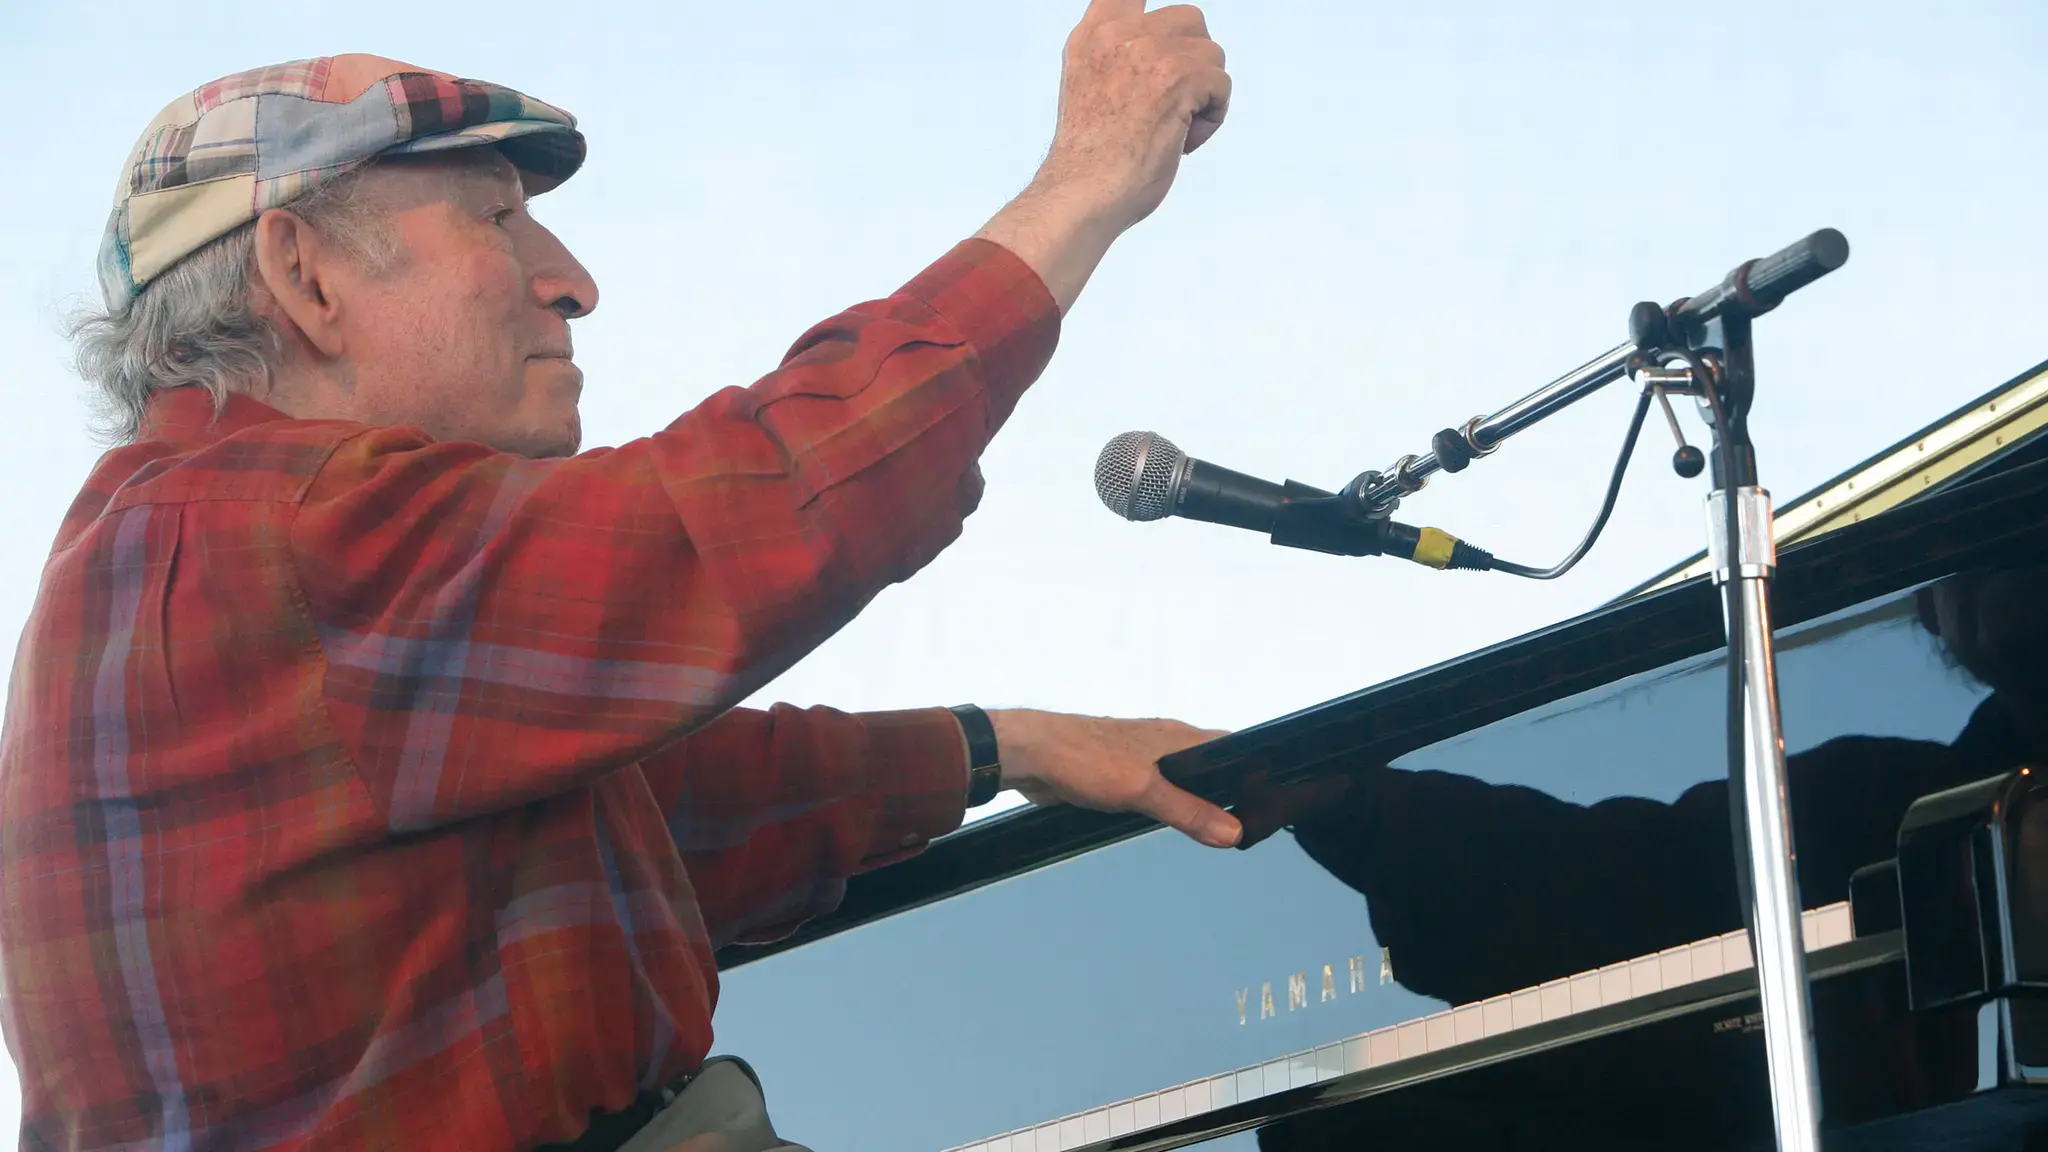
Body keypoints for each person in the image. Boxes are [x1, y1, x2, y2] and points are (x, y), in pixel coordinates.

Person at [0, 4, 1238, 1150]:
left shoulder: (187, 561)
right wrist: (1086, 182)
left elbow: (651, 822)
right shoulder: (282, 532)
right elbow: (750, 508)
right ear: (304, 276)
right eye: (495, 217)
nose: (572, 281)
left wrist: (1004, 745)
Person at [1235, 566, 2048, 1008]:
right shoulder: (1874, 799)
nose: (2001, 570)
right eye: (1971, 558)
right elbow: (1611, 878)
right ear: (1928, 608)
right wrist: (1355, 805)